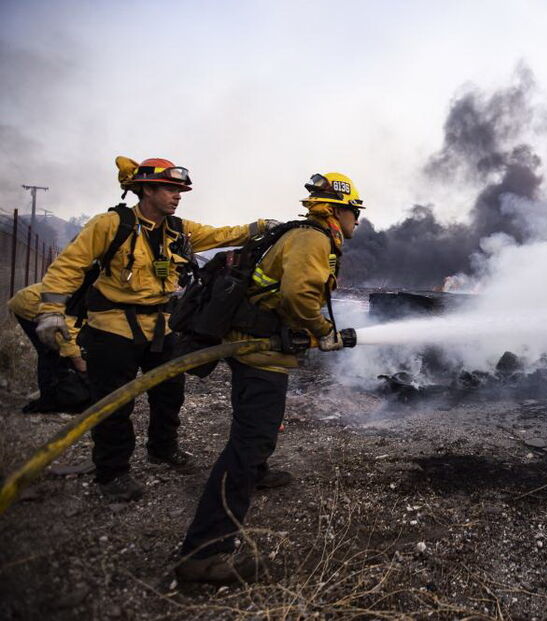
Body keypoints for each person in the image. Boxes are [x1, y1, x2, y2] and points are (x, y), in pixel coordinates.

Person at [35, 156, 276, 502]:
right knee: (114, 403)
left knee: (169, 394)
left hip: (160, 328)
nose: (177, 196)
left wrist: (260, 226)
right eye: (170, 189)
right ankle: (112, 472)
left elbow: (220, 235)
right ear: (146, 189)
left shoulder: (177, 229)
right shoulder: (111, 224)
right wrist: (51, 311)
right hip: (112, 329)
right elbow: (69, 265)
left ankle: (163, 449)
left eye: (180, 191)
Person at [176, 172, 362, 584]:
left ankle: (256, 473)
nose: (357, 222)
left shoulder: (299, 233)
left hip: (253, 345)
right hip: (261, 354)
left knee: (252, 430)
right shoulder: (314, 238)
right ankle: (204, 553)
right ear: (337, 211)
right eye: (355, 213)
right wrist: (323, 332)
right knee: (250, 442)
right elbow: (299, 295)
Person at [7, 282, 90, 413]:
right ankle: (49, 401)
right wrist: (82, 368)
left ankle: (58, 396)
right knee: (50, 352)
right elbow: (69, 335)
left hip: (50, 307)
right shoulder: (89, 299)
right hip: (30, 304)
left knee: (57, 355)